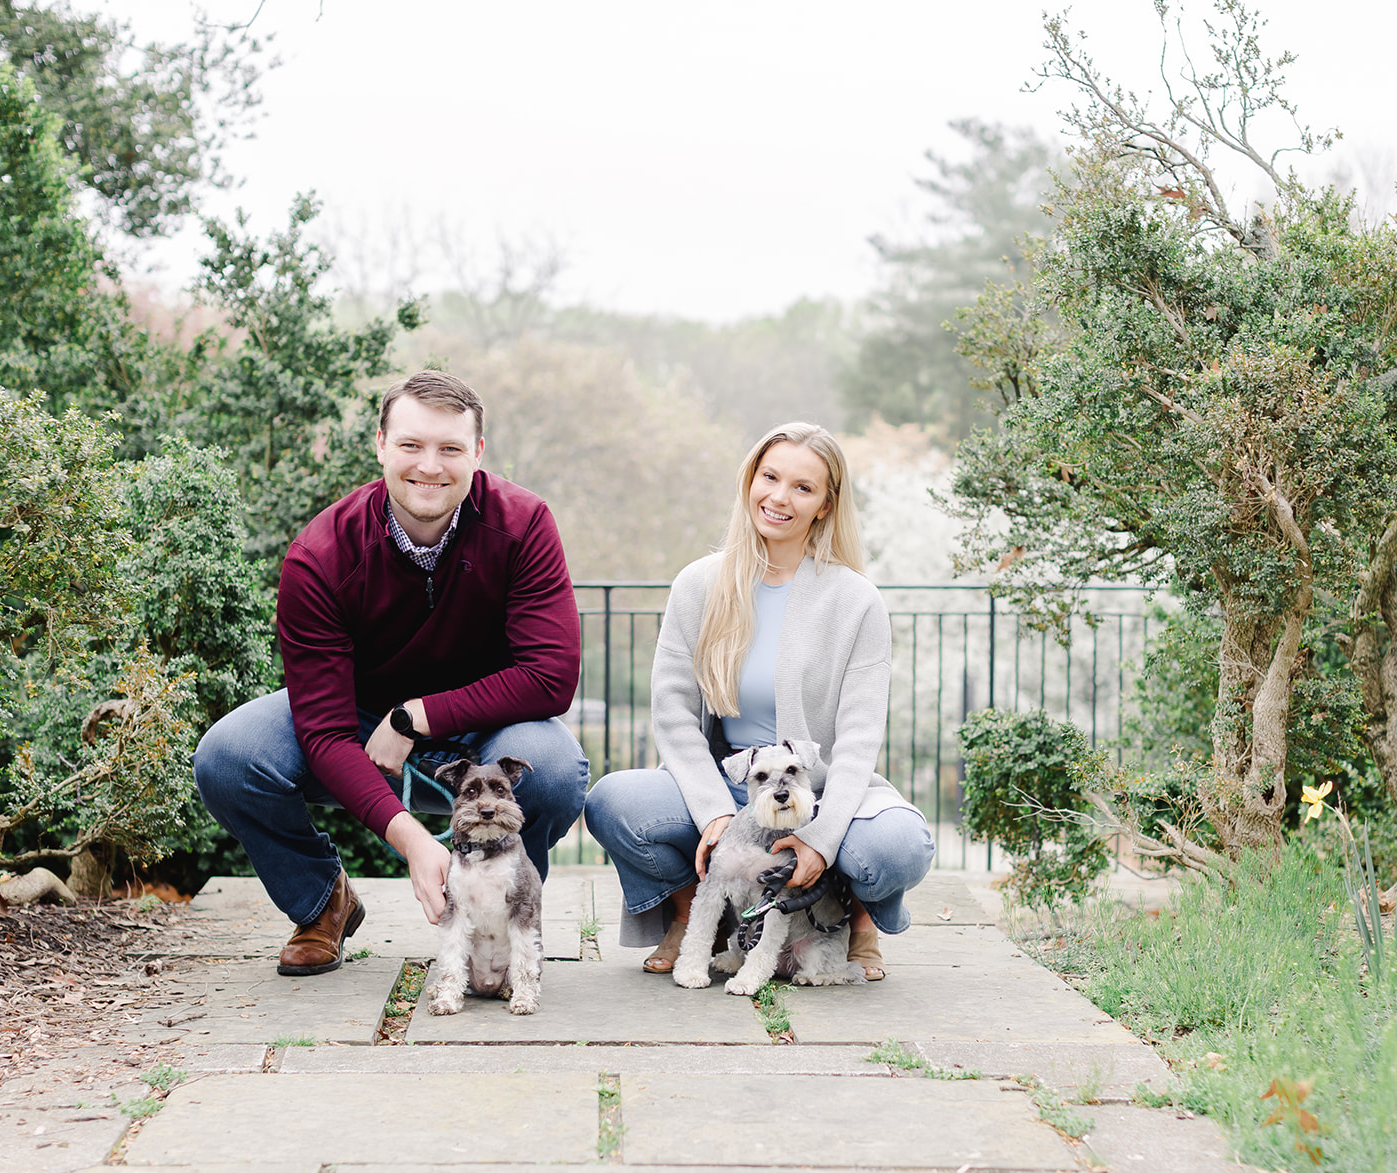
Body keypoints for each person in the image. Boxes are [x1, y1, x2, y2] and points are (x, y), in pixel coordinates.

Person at [194, 370, 590, 977]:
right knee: (229, 756)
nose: (430, 466)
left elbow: (551, 677)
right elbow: (324, 730)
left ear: (477, 454)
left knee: (556, 769)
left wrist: (418, 715)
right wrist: (409, 839)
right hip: (359, 717)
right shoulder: (321, 554)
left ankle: (507, 923)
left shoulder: (524, 524)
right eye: (410, 445)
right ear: (380, 444)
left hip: (492, 725)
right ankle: (321, 901)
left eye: (450, 449)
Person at [584, 421, 934, 978]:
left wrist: (818, 837)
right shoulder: (699, 584)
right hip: (732, 782)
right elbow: (672, 712)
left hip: (816, 789)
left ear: (825, 505)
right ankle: (695, 918)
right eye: (769, 477)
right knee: (613, 802)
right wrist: (716, 812)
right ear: (750, 480)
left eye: (803, 487)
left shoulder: (857, 600)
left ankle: (852, 920)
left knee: (898, 848)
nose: (779, 497)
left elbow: (860, 736)